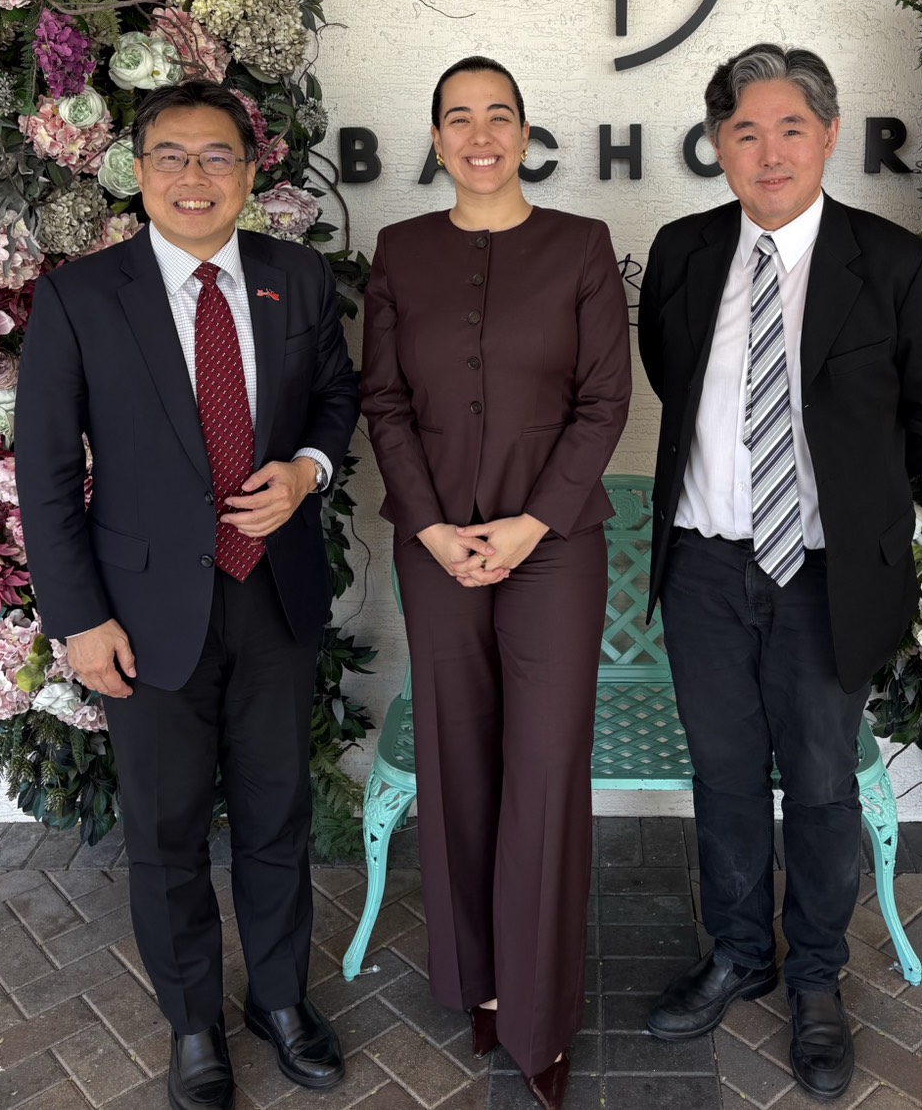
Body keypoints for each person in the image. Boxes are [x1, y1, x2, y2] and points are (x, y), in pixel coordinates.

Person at [638, 43, 922, 1101]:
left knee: (823, 784)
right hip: (704, 567)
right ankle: (741, 952)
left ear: (828, 135)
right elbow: (669, 374)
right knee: (724, 773)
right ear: (718, 145)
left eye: (790, 127)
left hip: (826, 575)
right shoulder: (685, 252)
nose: (769, 150)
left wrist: (856, 487)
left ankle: (817, 979)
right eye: (745, 131)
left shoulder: (897, 264)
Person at [16, 81, 360, 1110]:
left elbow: (337, 397)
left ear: (249, 174)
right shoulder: (82, 297)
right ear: (138, 172)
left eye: (217, 156)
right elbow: (44, 471)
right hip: (142, 613)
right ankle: (194, 1022)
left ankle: (280, 1000)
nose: (194, 176)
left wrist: (307, 470)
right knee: (166, 831)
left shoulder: (296, 277)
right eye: (172, 155)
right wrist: (79, 619)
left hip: (273, 595)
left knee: (276, 811)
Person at [361, 56, 631, 1110]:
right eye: (459, 118)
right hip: (436, 547)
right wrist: (432, 528)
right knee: (458, 758)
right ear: (437, 139)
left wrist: (526, 524)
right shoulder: (400, 251)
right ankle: (479, 980)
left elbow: (604, 402)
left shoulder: (582, 245)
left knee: (546, 768)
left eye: (500, 115)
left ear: (525, 133)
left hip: (553, 546)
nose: (481, 134)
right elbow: (384, 401)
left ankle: (539, 1012)